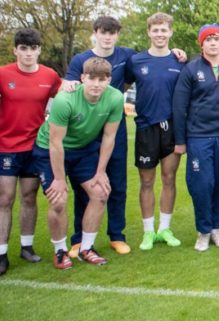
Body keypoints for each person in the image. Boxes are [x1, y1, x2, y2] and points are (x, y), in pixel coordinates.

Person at [63, 15, 184, 256]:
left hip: (116, 128)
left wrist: (178, 52)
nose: (107, 37)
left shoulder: (127, 56)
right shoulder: (82, 60)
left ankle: (116, 235)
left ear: (117, 35)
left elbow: (147, 73)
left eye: (112, 33)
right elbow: (68, 85)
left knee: (117, 184)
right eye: (103, 32)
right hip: (87, 131)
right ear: (95, 33)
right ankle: (79, 239)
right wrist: (66, 84)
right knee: (84, 184)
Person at [34, 57, 124, 269]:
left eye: (102, 80)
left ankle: (87, 248)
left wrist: (101, 172)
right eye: (92, 78)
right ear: (82, 78)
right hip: (49, 149)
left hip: (83, 150)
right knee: (58, 200)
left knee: (100, 193)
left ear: (109, 80)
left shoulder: (116, 98)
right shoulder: (65, 99)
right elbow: (55, 143)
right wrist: (58, 179)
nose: (96, 84)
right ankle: (60, 251)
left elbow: (109, 137)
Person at [172, 24, 219, 252]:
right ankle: (204, 231)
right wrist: (180, 140)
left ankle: (217, 228)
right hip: (199, 136)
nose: (213, 43)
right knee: (202, 184)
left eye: (217, 39)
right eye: (208, 39)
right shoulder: (191, 69)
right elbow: (179, 106)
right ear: (202, 43)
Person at [0, 28, 60, 275]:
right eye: (23, 48)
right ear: (15, 50)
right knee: (5, 199)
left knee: (29, 197)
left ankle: (26, 247)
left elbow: (63, 99)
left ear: (39, 50)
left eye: (33, 48)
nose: (28, 53)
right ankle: (0, 255)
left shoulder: (50, 75)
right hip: (6, 147)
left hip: (35, 147)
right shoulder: (1, 74)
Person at [129, 14, 185, 251]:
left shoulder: (180, 60)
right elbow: (121, 84)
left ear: (171, 32)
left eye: (164, 30)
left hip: (172, 128)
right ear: (149, 32)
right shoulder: (136, 61)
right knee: (146, 181)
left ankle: (165, 228)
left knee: (169, 178)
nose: (160, 34)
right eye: (156, 30)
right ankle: (148, 232)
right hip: (145, 128)